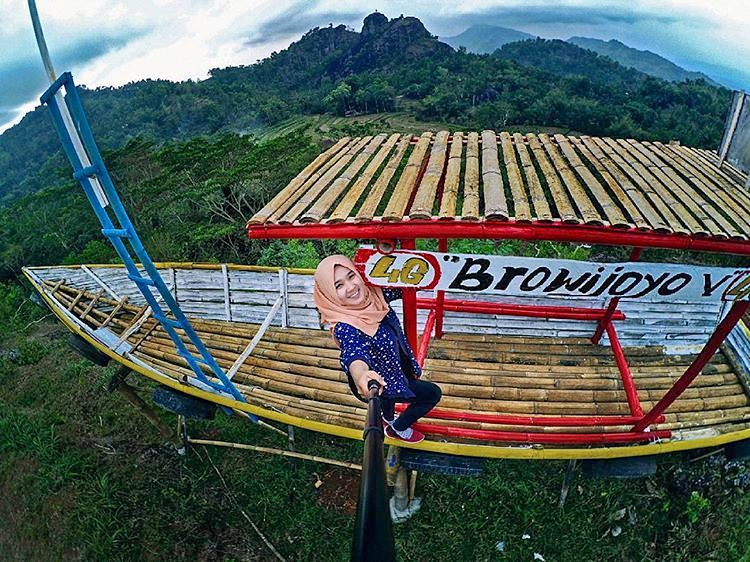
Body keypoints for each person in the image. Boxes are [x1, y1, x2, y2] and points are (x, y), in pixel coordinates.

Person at [313, 255, 441, 444]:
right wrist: (361, 374)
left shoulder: (374, 295)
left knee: (386, 404)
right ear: (329, 293)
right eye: (338, 285)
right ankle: (398, 427)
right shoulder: (345, 326)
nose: (351, 287)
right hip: (381, 381)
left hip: (398, 364)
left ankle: (388, 418)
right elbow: (353, 353)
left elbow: (408, 283)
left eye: (352, 276)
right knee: (432, 394)